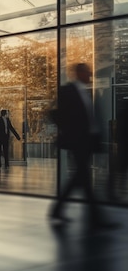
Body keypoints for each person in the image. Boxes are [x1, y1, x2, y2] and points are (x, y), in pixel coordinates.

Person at [50, 63, 110, 227]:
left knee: (80, 177)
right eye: (87, 72)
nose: (90, 75)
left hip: (87, 141)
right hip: (77, 141)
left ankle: (58, 210)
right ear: (78, 73)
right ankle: (96, 218)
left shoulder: (86, 92)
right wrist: (69, 132)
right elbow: (55, 114)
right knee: (83, 177)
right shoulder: (67, 91)